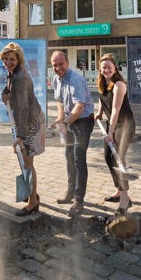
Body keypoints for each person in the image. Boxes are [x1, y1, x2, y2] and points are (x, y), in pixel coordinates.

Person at [0, 42, 45, 216]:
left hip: (31, 122)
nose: (8, 62)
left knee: (27, 164)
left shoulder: (21, 78)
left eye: (12, 59)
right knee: (24, 162)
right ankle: (32, 193)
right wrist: (5, 91)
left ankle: (33, 203)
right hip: (24, 121)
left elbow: (24, 107)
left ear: (19, 60)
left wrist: (20, 136)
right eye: (6, 59)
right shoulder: (13, 74)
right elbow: (10, 89)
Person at [51, 50, 95, 218]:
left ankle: (79, 200)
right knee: (69, 156)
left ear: (67, 63)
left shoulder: (75, 79)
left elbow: (79, 107)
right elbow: (60, 100)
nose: (57, 67)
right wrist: (61, 118)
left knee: (78, 158)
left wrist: (65, 123)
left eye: (60, 64)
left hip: (83, 122)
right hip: (69, 121)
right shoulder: (56, 78)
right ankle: (70, 192)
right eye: (54, 65)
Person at [95, 53, 135, 216]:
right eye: (103, 67)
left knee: (118, 158)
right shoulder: (103, 82)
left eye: (109, 67)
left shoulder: (119, 84)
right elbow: (102, 99)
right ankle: (118, 190)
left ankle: (126, 198)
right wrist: (98, 113)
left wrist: (110, 132)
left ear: (115, 68)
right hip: (112, 124)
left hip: (124, 124)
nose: (106, 70)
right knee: (107, 157)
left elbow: (116, 110)